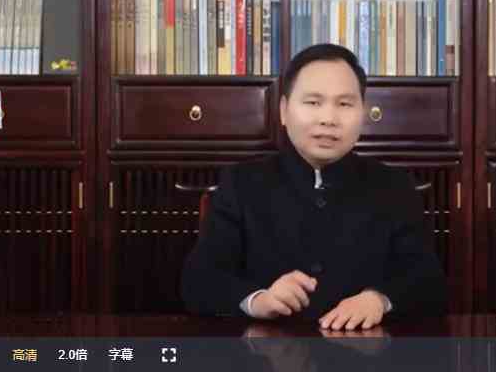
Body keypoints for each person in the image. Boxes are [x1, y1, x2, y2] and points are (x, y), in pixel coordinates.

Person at [180, 43, 447, 330]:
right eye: (313, 102)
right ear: (284, 111)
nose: (328, 119)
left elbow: (428, 281)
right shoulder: (241, 184)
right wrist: (259, 300)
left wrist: (379, 300)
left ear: (362, 112)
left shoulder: (394, 187)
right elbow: (199, 280)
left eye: (344, 104)